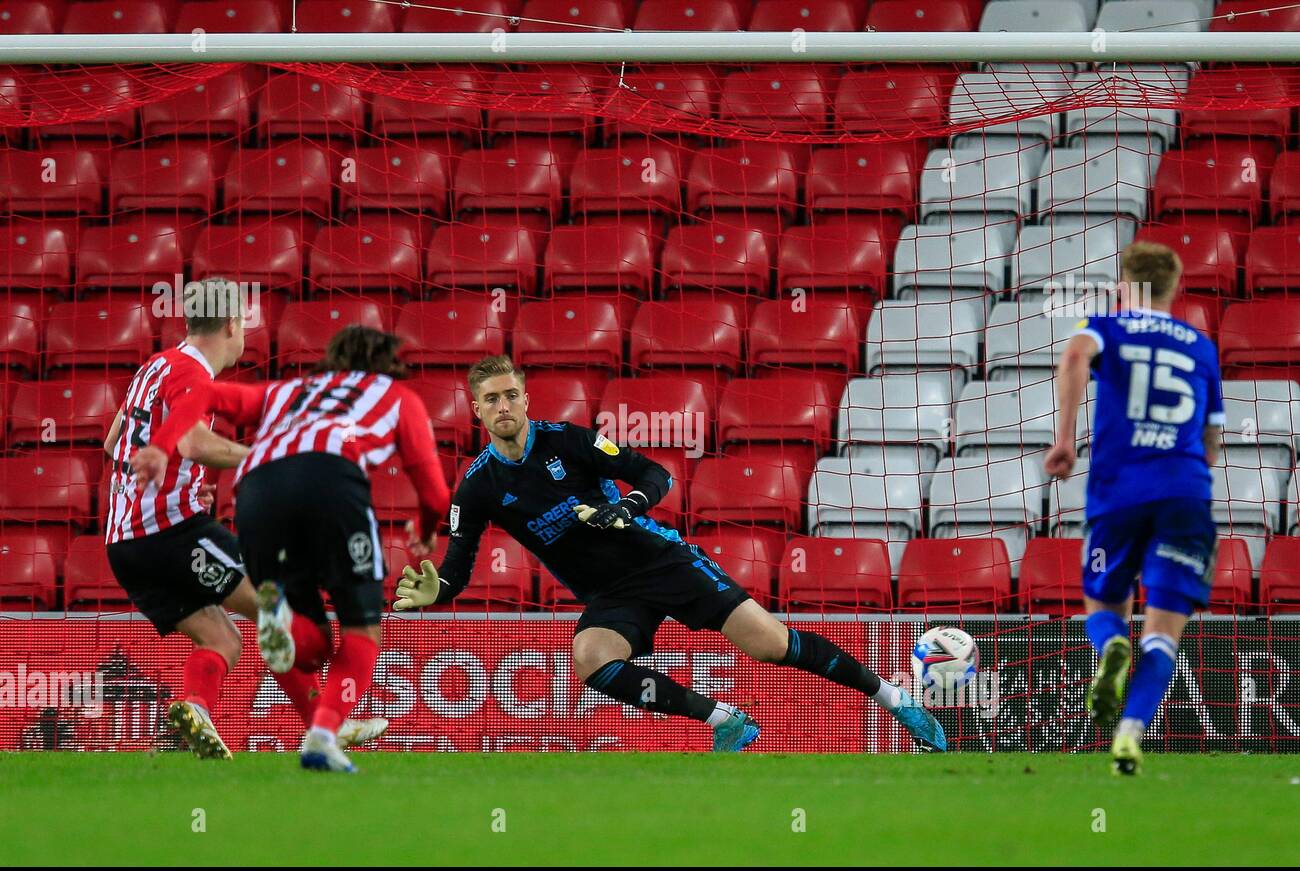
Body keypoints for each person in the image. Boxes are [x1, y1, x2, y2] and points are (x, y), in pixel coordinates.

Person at [393, 355, 946, 753]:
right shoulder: (478, 486)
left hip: (659, 560)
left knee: (770, 644)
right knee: (590, 655)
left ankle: (893, 696)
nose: (504, 405)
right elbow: (458, 570)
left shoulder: (570, 441)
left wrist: (626, 508)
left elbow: (652, 474)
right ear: (476, 410)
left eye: (512, 394)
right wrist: (437, 590)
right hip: (611, 593)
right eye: (492, 399)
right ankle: (724, 719)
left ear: (525, 398)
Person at [131, 324, 451, 773]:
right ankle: (321, 737)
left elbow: (203, 396)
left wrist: (162, 447)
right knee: (361, 632)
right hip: (332, 483)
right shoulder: (398, 398)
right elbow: (437, 496)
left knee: (311, 641)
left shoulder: (289, 391)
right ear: (386, 365)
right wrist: (428, 527)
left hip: (257, 490)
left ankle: (284, 625)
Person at [105, 279, 388, 758]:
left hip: (124, 543)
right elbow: (192, 443)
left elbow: (114, 442)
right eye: (245, 326)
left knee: (225, 638)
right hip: (169, 531)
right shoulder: (189, 371)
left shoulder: (152, 368)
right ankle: (324, 724)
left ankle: (193, 710)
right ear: (233, 326)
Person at [1045, 241, 1224, 775]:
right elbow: (1212, 438)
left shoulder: (1108, 326)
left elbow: (1075, 354)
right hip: (1185, 493)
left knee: (1103, 608)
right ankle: (1129, 734)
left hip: (1119, 493)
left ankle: (1110, 650)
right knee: (1165, 633)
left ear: (1125, 284)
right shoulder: (1200, 344)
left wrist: (1065, 440)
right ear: (1175, 287)